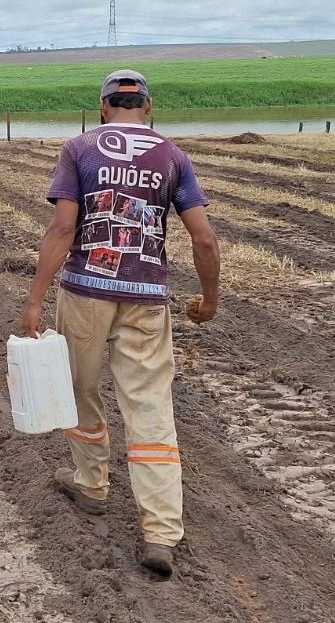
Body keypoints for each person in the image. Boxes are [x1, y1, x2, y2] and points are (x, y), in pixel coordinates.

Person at [17, 69, 221, 579]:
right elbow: (204, 240)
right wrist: (210, 299)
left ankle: (91, 484)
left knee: (81, 388)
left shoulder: (79, 149)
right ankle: (160, 532)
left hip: (86, 291)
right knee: (150, 407)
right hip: (148, 298)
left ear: (102, 105)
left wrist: (35, 302)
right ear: (147, 106)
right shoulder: (172, 156)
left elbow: (64, 227)